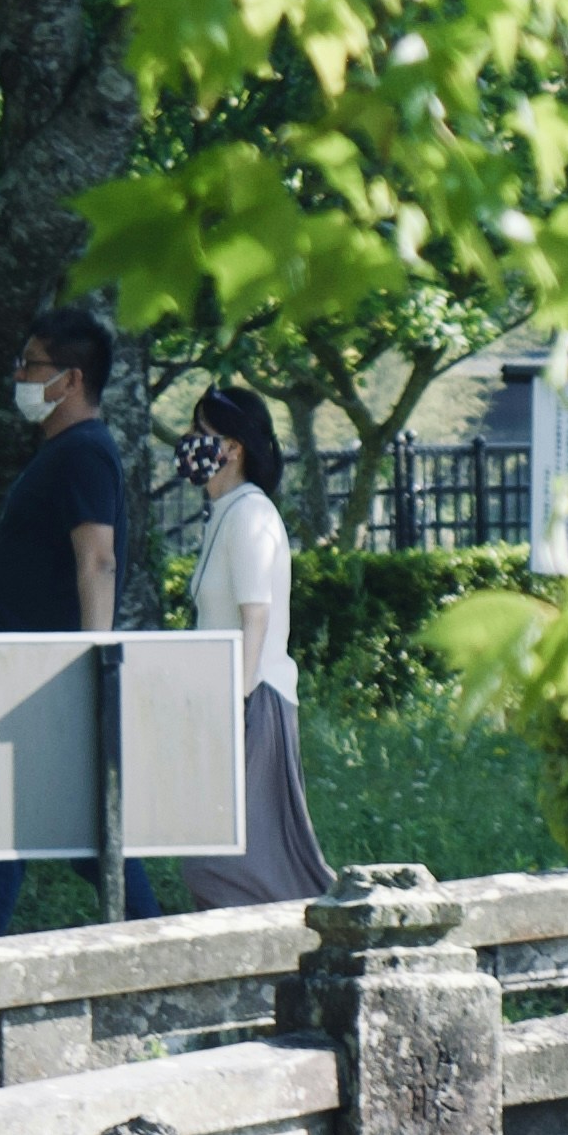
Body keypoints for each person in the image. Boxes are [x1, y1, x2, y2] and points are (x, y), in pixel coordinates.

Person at [0, 308, 134, 940]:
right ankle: (160, 948)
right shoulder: (59, 454)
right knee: (80, 838)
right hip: (13, 669)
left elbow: (97, 559)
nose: (17, 374)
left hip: (37, 678)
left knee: (7, 839)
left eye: (31, 363)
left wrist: (97, 662)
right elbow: (19, 564)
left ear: (69, 380)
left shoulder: (86, 454)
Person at [167, 383, 336, 908]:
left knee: (228, 863)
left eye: (200, 432)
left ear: (232, 448)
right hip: (229, 702)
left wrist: (235, 706)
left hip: (250, 701)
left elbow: (255, 617)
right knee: (223, 856)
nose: (188, 441)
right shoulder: (228, 512)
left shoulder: (250, 515)